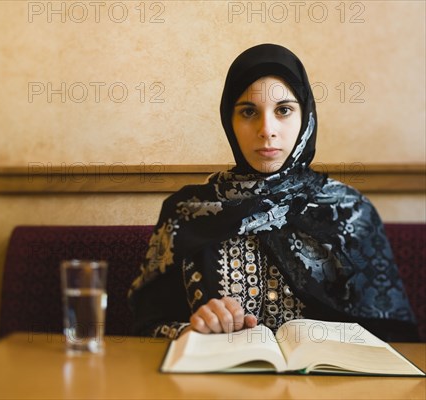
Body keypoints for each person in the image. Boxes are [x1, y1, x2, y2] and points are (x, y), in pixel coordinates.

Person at [128, 43, 418, 342]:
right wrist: (192, 330)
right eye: (248, 111)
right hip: (216, 384)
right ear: (229, 120)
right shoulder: (187, 212)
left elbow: (393, 338)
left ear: (305, 117)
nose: (267, 129)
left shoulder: (350, 212)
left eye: (284, 110)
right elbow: (147, 327)